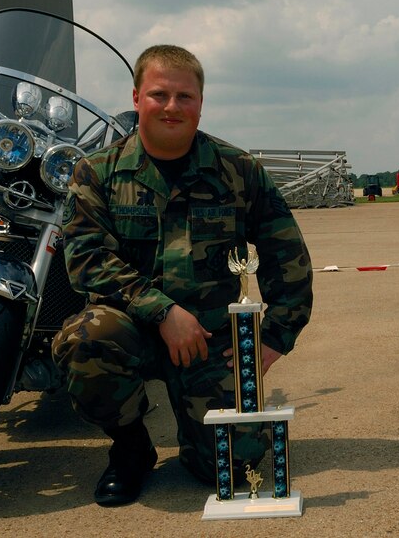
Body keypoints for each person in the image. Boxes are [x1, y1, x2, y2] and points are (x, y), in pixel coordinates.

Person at [53, 45, 314, 507]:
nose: (172, 107)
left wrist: (276, 336)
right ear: (137, 98)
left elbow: (286, 253)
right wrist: (162, 311)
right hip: (131, 328)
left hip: (211, 339)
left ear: (200, 103)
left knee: (232, 469)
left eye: (185, 96)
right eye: (159, 94)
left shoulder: (238, 172)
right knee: (84, 339)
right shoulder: (98, 173)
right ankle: (132, 449)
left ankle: (204, 444)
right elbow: (85, 257)